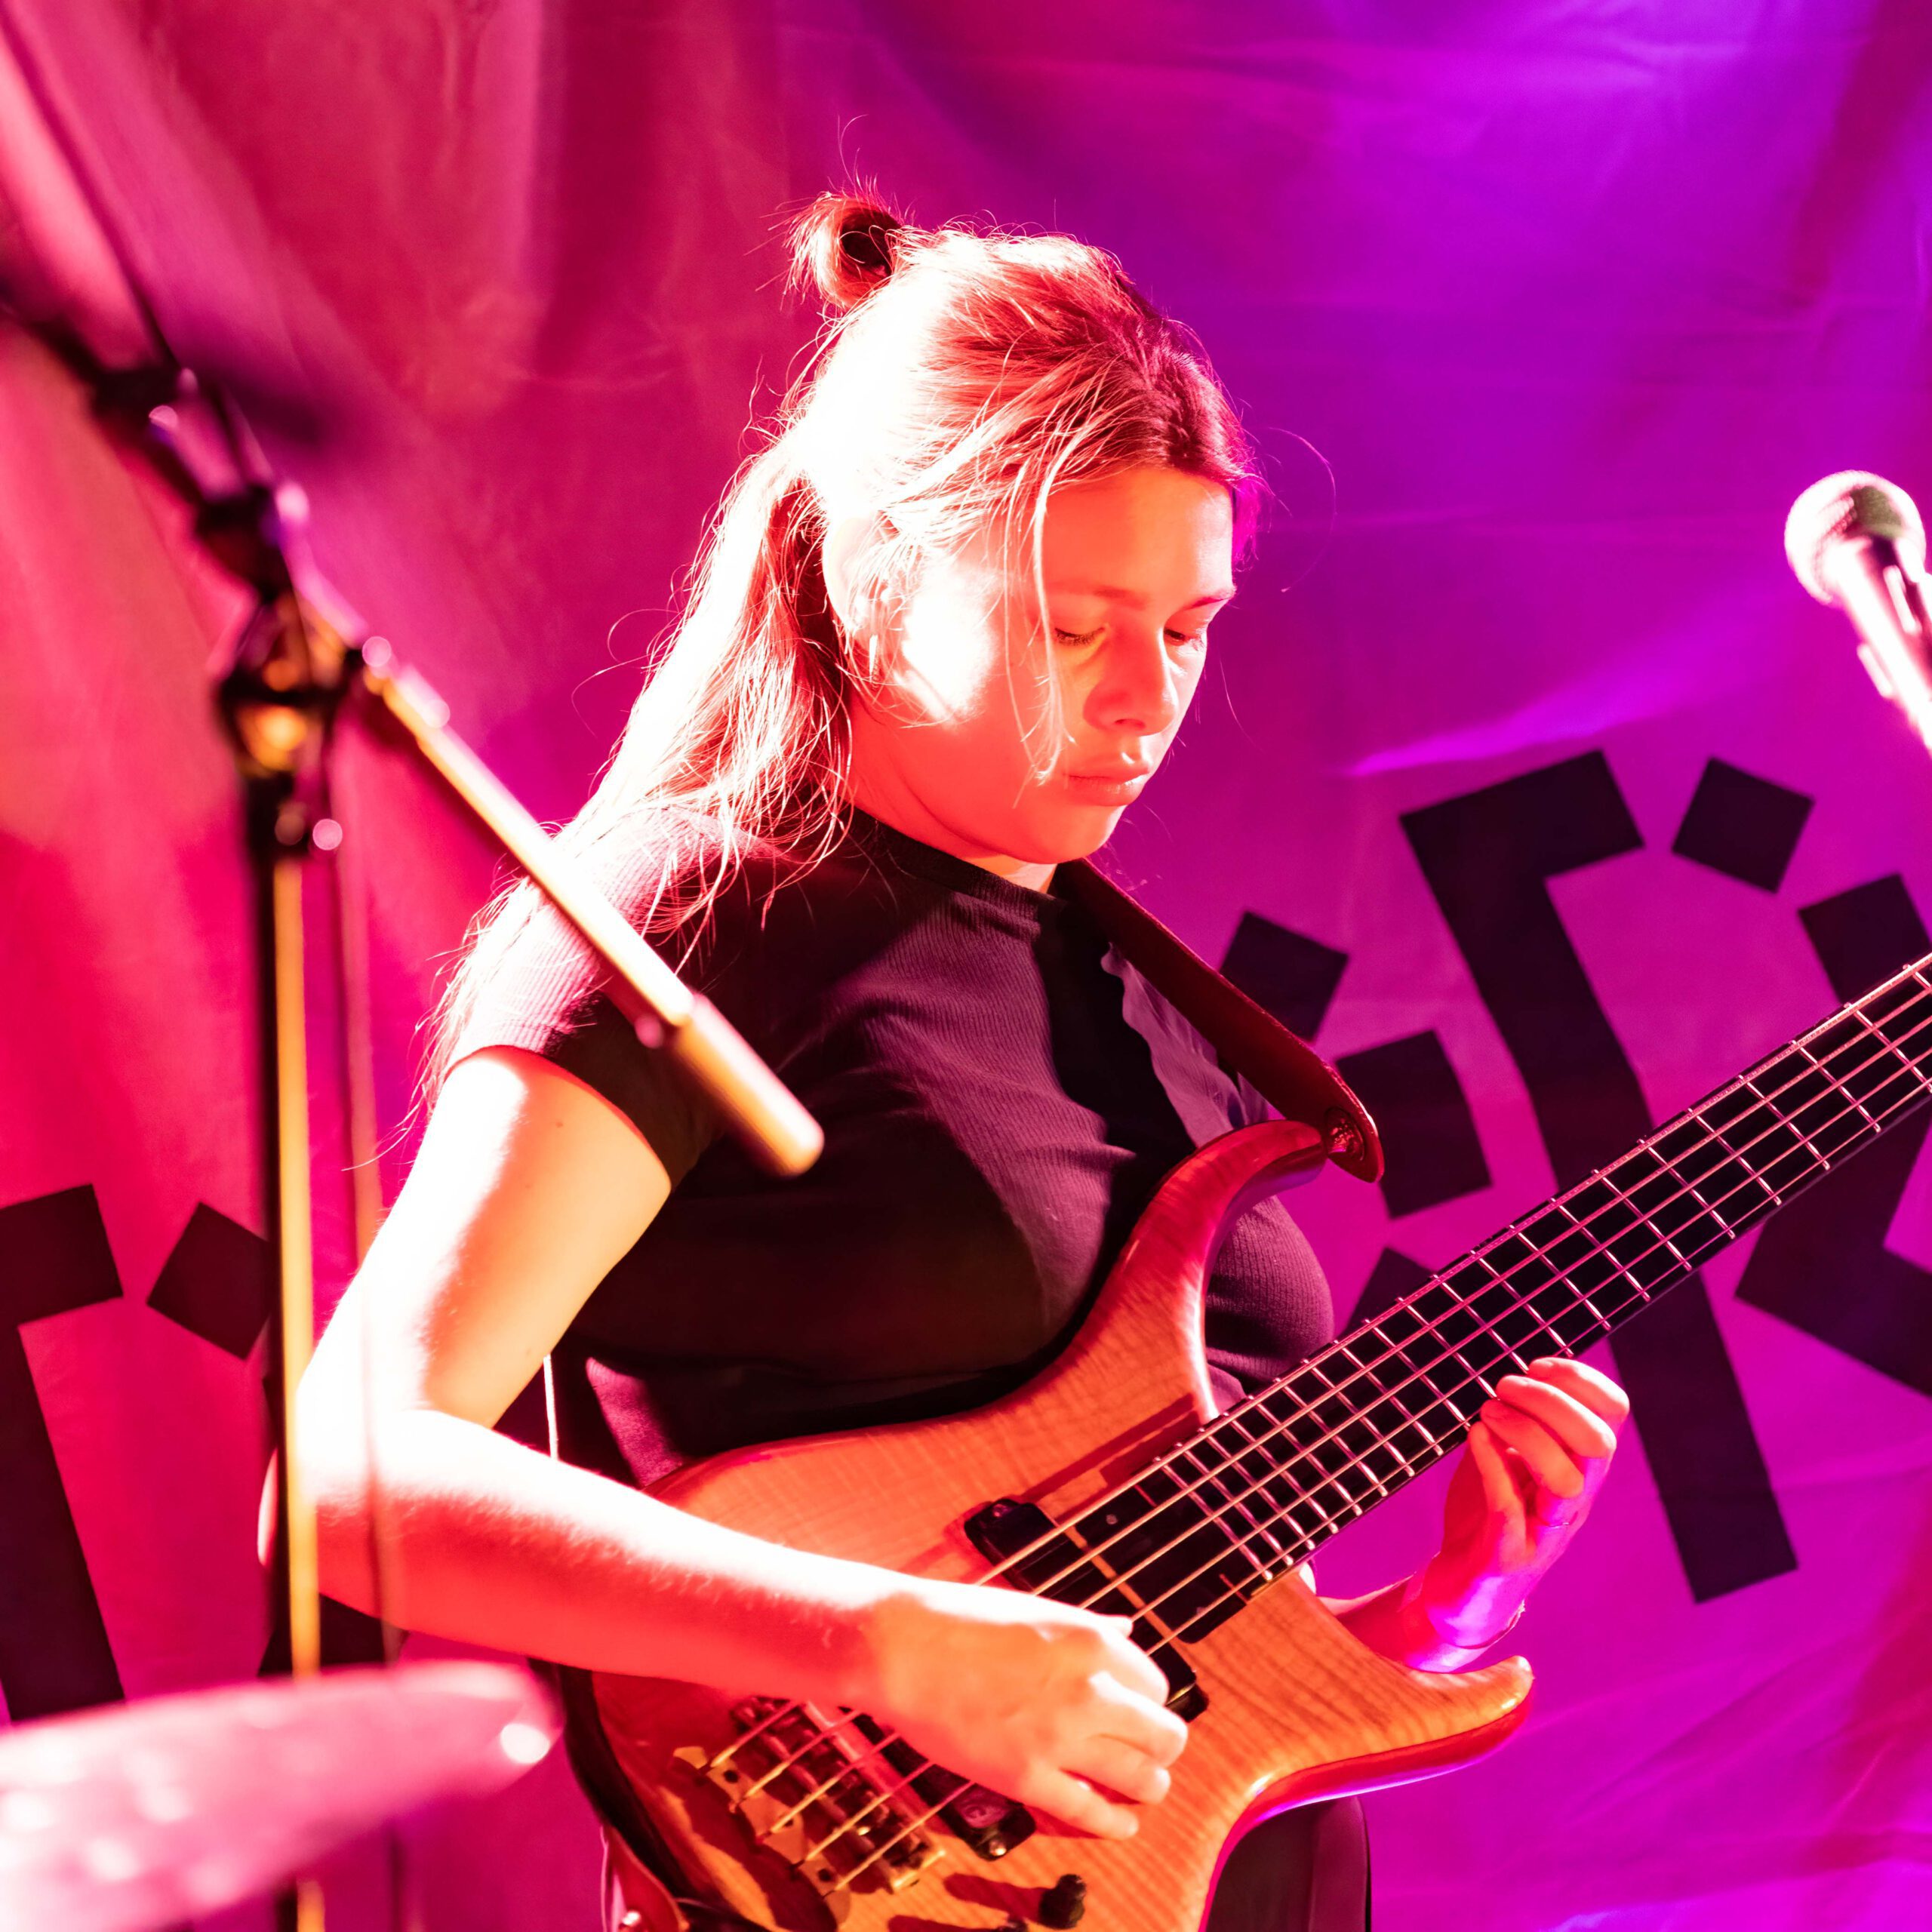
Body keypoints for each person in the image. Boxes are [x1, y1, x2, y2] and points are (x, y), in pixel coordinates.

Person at [294, 192, 1629, 1930]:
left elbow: (1165, 1694)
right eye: (1071, 624)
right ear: (872, 583)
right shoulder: (690, 921)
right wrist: (881, 1641)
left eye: (1187, 625)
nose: (1141, 696)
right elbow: (354, 1478)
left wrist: (1448, 1604)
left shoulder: (1150, 1022)